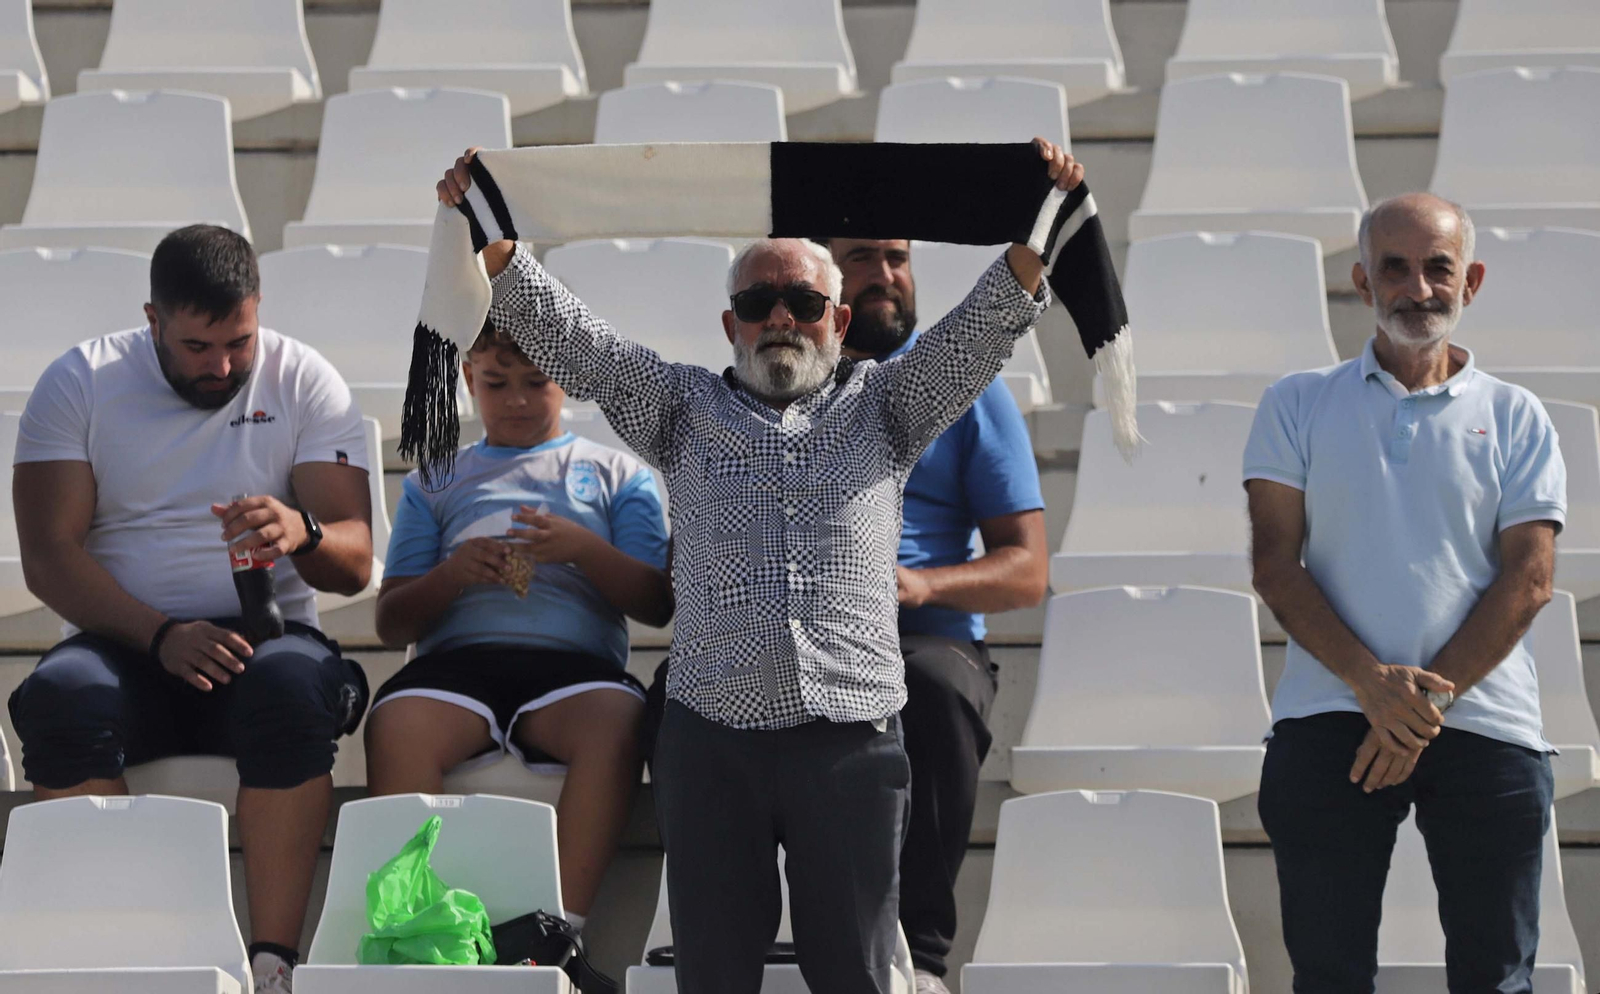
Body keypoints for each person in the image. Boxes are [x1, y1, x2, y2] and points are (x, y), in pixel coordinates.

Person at [437, 138, 1081, 994]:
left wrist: (1044, 211)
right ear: (731, 322)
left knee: (854, 975)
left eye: (805, 301)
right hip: (712, 744)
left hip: (851, 739)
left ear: (840, 321)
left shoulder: (890, 408)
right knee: (714, 976)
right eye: (760, 300)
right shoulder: (680, 409)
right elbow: (575, 341)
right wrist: (491, 235)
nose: (782, 316)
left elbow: (981, 330)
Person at [7, 224, 375, 994]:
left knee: (290, 691)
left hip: (268, 642)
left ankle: (276, 964)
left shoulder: (304, 377)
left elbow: (355, 563)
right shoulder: (80, 378)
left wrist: (300, 530)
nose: (224, 366)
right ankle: (121, 958)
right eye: (198, 347)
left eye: (239, 342)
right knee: (59, 702)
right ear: (152, 320)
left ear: (259, 310)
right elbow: (47, 559)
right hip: (126, 643)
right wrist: (162, 634)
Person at [1245, 193, 1563, 993]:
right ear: (1362, 280)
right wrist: (1370, 686)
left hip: (1486, 719)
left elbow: (1530, 579)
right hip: (1329, 717)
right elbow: (1276, 565)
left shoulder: (1519, 417)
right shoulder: (1295, 402)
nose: (1418, 288)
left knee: (1497, 981)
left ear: (1472, 280)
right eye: (1395, 268)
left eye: (1438, 268)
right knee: (1329, 978)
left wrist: (1417, 706)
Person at [363, 319, 672, 932]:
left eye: (538, 381)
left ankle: (563, 927)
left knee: (616, 724)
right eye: (498, 383)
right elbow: (391, 623)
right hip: (455, 666)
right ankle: (414, 922)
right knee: (398, 724)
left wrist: (584, 549)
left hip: (577, 671)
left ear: (569, 382)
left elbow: (656, 604)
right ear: (468, 378)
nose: (519, 401)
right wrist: (452, 575)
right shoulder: (436, 478)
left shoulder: (617, 474)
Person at [825, 237, 1047, 994]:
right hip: (801, 632)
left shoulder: (969, 387)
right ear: (824, 275)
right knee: (679, 704)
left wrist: (921, 586)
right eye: (862, 257)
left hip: (925, 633)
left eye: (897, 257)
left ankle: (920, 959)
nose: (886, 275)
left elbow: (1027, 570)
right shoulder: (779, 378)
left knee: (932, 693)